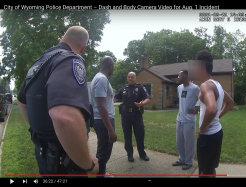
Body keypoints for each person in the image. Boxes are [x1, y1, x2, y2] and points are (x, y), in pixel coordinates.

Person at [17, 26, 99, 177]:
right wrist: (88, 163)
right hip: (66, 164)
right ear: (83, 48)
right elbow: (64, 117)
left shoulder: (40, 62)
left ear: (62, 38)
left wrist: (43, 133)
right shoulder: (70, 59)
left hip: (44, 157)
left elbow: (22, 101)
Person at [192, 50, 234, 177]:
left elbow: (212, 109)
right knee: (210, 169)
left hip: (208, 136)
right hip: (216, 133)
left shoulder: (206, 86)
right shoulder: (217, 84)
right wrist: (217, 118)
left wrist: (202, 128)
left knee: (205, 172)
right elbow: (230, 102)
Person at [114, 72, 151, 162]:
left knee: (140, 135)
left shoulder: (140, 87)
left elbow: (148, 99)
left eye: (132, 77)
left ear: (135, 78)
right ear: (127, 78)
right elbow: (115, 98)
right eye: (129, 77)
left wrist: (141, 103)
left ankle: (142, 154)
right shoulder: (123, 88)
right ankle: (129, 155)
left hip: (137, 115)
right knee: (127, 136)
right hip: (125, 115)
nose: (130, 78)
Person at [90, 56, 117, 178]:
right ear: (110, 65)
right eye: (113, 66)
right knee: (104, 152)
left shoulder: (97, 78)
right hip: (103, 121)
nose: (113, 68)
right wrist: (110, 129)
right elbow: (101, 106)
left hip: (101, 120)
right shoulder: (101, 79)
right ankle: (100, 175)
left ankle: (102, 172)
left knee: (104, 149)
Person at [172, 70, 200, 170]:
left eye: (179, 75)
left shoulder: (195, 88)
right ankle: (181, 159)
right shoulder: (179, 88)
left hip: (189, 120)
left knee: (189, 142)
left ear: (185, 76)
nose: (178, 77)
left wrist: (197, 110)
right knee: (179, 141)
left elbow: (201, 99)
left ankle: (189, 162)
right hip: (180, 118)